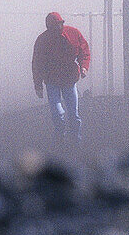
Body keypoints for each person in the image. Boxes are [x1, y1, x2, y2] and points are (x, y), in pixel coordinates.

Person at [32, 12, 90, 147]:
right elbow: (37, 64)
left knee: (74, 114)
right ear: (48, 27)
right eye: (54, 26)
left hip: (69, 80)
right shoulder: (42, 40)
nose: (58, 28)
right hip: (52, 81)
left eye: (60, 24)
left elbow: (84, 51)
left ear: (62, 23)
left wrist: (84, 67)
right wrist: (38, 85)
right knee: (58, 113)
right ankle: (60, 141)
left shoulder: (73, 33)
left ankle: (76, 142)